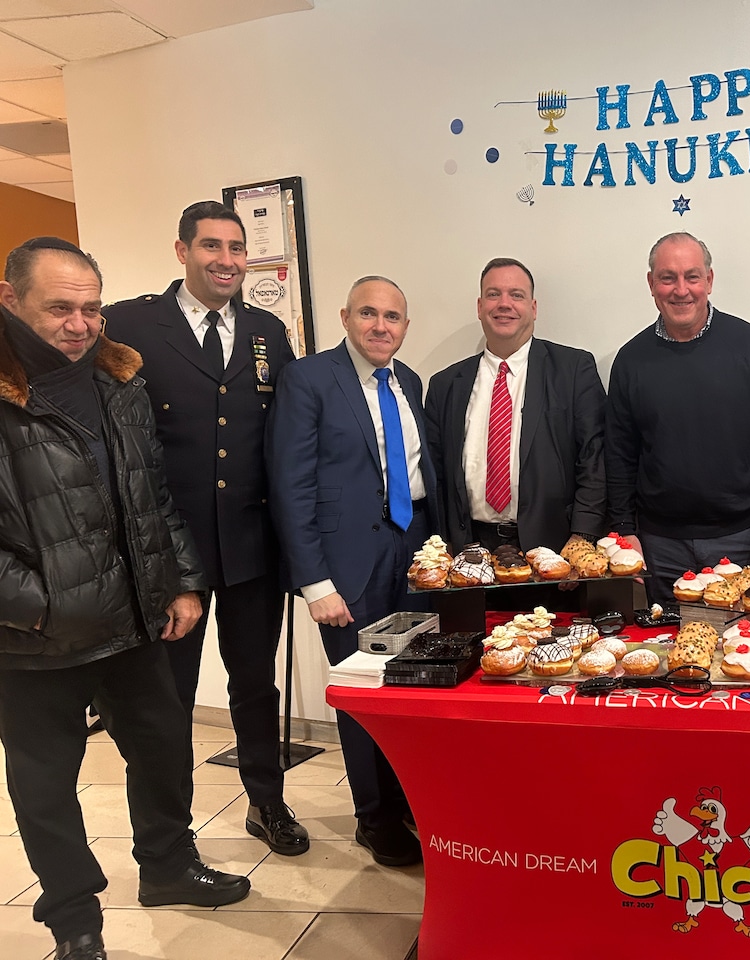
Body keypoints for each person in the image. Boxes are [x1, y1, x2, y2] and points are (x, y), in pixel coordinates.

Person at [0, 237, 250, 960]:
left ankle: (169, 868)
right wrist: (42, 604)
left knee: (165, 746)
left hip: (135, 621)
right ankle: (75, 919)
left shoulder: (119, 380)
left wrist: (181, 579)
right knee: (46, 785)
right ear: (11, 300)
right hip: (34, 641)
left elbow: (154, 496)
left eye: (91, 308)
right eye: (60, 308)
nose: (81, 324)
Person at [102, 201, 307, 857]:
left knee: (255, 683)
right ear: (182, 250)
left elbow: (288, 435)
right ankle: (168, 836)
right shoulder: (132, 325)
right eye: (212, 246)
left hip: (251, 546)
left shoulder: (268, 331)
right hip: (169, 553)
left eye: (237, 248)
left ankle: (267, 803)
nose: (226, 260)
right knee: (169, 697)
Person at [268, 276, 438, 867]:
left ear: (405, 326)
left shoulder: (410, 382)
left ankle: (407, 800)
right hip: (346, 570)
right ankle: (374, 817)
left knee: (410, 691)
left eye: (393, 316)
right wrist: (315, 582)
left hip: (411, 556)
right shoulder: (310, 379)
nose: (380, 326)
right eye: (368, 313)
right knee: (364, 694)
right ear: (345, 316)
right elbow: (290, 487)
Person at [605, 233, 750, 606]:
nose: (681, 290)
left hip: (743, 539)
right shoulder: (631, 360)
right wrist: (624, 533)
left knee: (745, 651)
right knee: (671, 653)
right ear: (651, 284)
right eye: (667, 277)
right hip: (660, 545)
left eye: (692, 277)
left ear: (709, 280)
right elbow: (619, 455)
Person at [424, 257, 606, 554]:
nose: (504, 304)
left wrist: (582, 538)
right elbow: (437, 477)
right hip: (469, 553)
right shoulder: (445, 385)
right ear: (480, 307)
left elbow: (594, 459)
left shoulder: (573, 370)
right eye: (493, 294)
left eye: (516, 295)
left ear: (533, 309)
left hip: (555, 552)